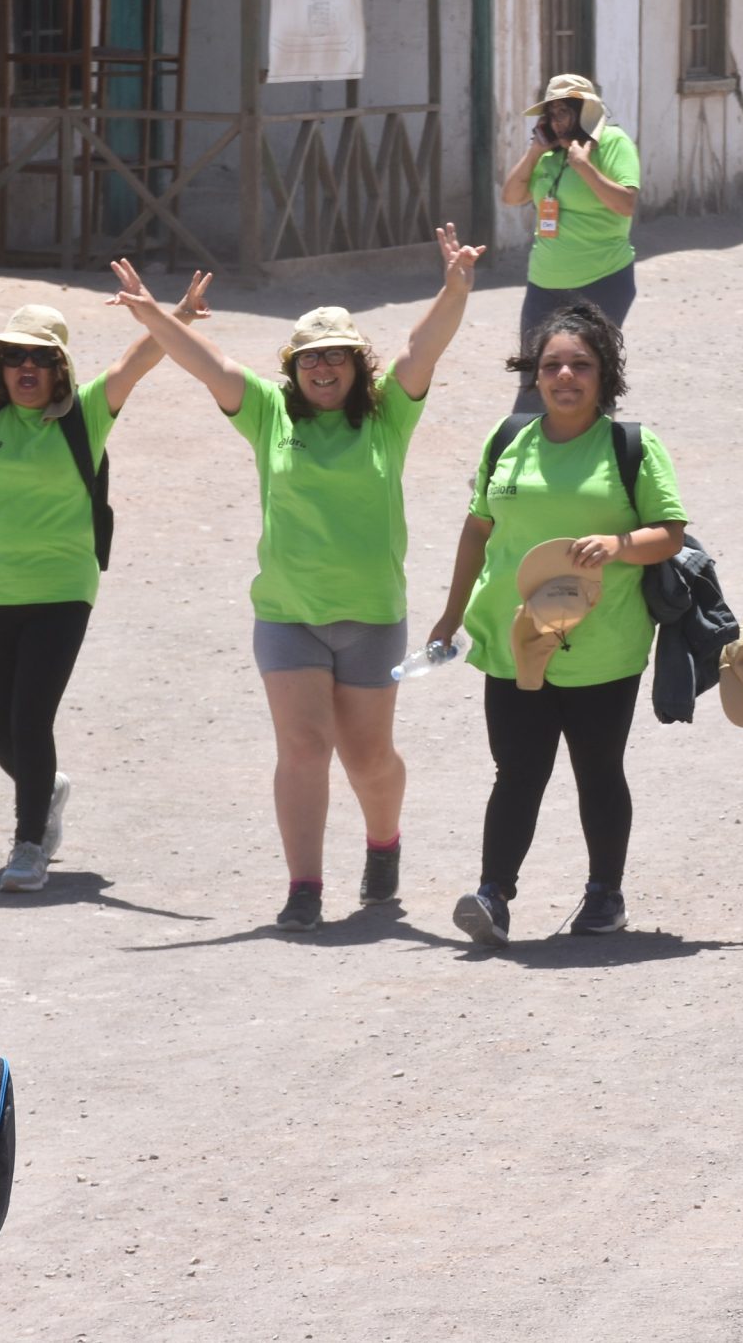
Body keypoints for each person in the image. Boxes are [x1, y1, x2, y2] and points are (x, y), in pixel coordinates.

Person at [102, 227, 483, 932]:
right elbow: (208, 362)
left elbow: (420, 349)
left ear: (355, 366)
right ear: (295, 368)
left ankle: (383, 844)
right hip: (287, 615)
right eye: (311, 358)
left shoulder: (387, 417)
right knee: (304, 749)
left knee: (369, 758)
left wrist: (453, 287)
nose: (324, 368)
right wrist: (155, 314)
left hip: (371, 616)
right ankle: (304, 886)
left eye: (337, 356)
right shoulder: (268, 413)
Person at [0, 216, 204, 893]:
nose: (26, 368)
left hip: (63, 589)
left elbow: (138, 361)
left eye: (39, 358)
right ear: (0, 365)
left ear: (59, 367)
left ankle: (29, 842)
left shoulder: (86, 414)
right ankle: (49, 790)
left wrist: (174, 313)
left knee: (31, 719)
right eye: (14, 357)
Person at [424, 302, 688, 946]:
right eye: (551, 365)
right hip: (513, 641)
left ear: (605, 375)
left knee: (598, 769)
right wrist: (450, 616)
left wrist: (620, 544)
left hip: (602, 645)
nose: (564, 376)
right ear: (533, 374)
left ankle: (605, 894)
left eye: (580, 365)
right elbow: (476, 530)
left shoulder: (631, 446)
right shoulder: (508, 438)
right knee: (517, 769)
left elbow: (670, 534)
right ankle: (493, 895)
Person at [500, 74, 640, 409]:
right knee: (535, 373)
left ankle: (595, 451)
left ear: (585, 113)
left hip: (601, 281)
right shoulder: (549, 156)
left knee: (589, 373)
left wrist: (584, 166)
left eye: (564, 112)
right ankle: (529, 451)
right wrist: (535, 150)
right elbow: (511, 195)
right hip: (544, 285)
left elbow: (625, 204)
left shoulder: (614, 144)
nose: (555, 121)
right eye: (550, 114)